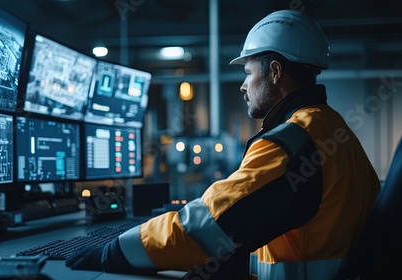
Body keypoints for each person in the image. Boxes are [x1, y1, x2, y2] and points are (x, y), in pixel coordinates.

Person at [65, 9, 380, 280]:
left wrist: (115, 249)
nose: (243, 86)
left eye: (247, 73)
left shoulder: (292, 141)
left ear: (274, 72)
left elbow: (206, 226)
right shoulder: (336, 130)